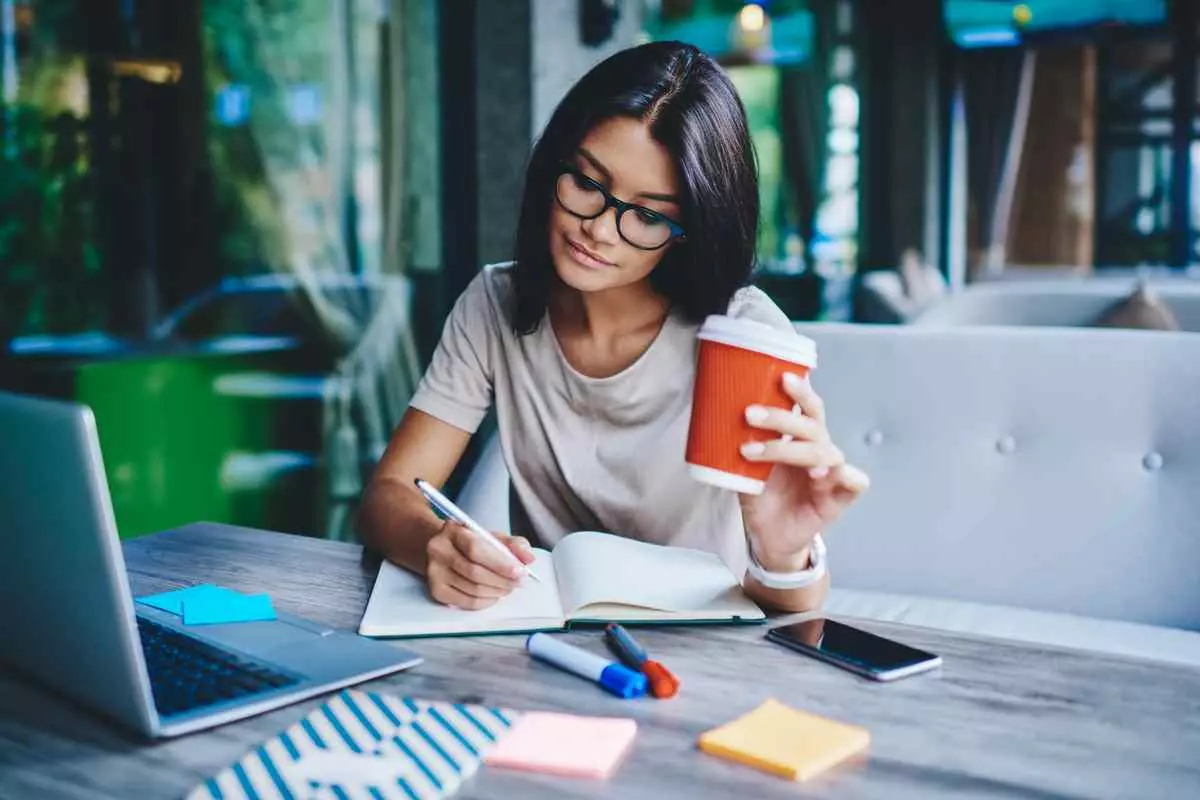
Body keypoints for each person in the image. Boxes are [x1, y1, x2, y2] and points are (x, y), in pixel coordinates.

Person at [358, 41, 869, 614]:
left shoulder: (740, 335)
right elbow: (390, 493)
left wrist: (783, 550)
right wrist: (436, 545)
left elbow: (797, 613)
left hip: (705, 646)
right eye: (586, 183)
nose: (599, 229)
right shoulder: (495, 303)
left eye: (648, 215)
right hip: (551, 637)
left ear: (693, 228)